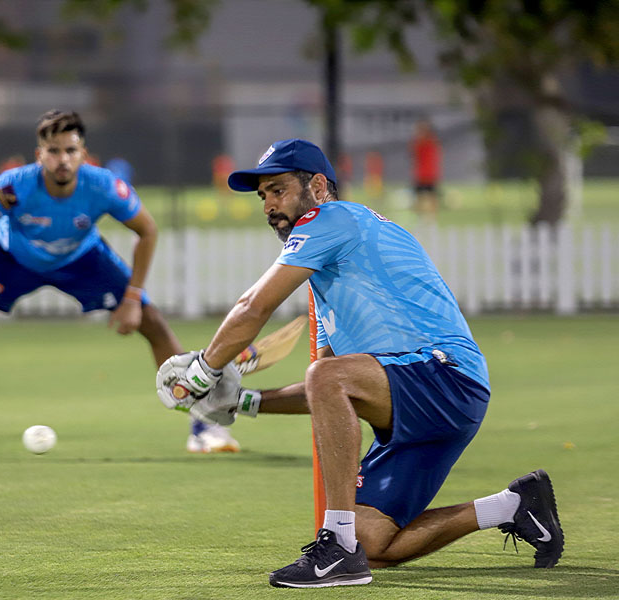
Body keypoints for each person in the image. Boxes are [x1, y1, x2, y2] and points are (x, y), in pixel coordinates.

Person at [155, 139, 563, 588]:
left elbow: (254, 307)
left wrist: (201, 371)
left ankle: (337, 547)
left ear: (317, 186)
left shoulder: (332, 218)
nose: (269, 205)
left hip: (445, 377)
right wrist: (244, 403)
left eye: (278, 190)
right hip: (427, 407)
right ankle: (512, 505)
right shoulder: (331, 279)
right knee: (377, 544)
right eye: (263, 196)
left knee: (327, 376)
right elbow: (329, 394)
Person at [0, 110, 238, 462]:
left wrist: (132, 298)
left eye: (70, 150)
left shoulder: (104, 186)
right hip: (12, 257)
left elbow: (147, 230)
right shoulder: (13, 188)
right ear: (39, 155)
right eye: (54, 151)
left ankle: (202, 426)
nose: (63, 159)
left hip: (82, 258)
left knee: (152, 321)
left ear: (83, 154)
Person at [411, 118, 442, 219]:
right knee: (419, 197)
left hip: (429, 174)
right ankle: (420, 217)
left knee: (431, 197)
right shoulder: (418, 142)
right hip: (420, 174)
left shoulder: (431, 142)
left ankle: (431, 218)